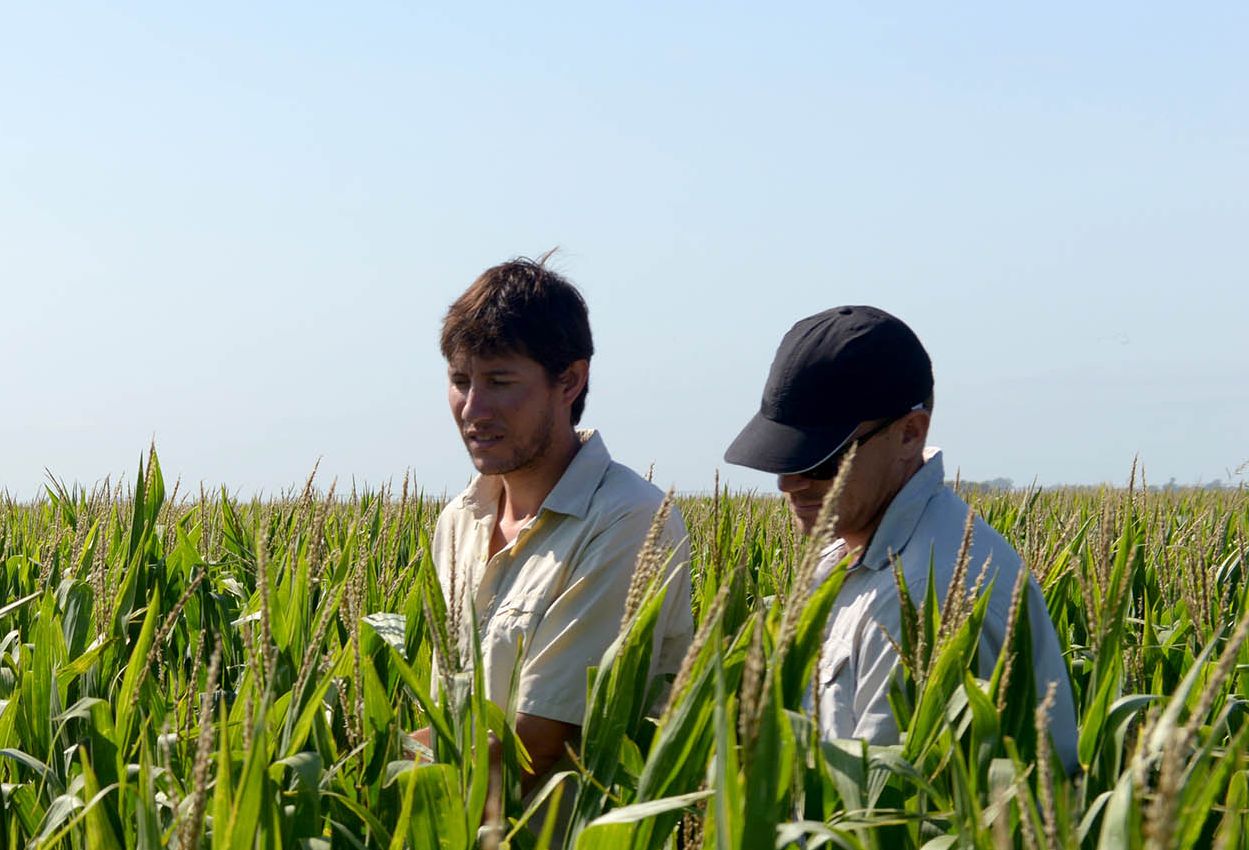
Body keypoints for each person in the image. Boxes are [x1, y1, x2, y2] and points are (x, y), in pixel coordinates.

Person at [723, 306, 1079, 770]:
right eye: (781, 460)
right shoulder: (851, 555)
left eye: (818, 461)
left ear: (909, 435)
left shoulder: (924, 597)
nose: (789, 484)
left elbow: (886, 812)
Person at [430, 258, 693, 790]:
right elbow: (446, 726)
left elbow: (540, 741)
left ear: (570, 381)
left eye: (500, 381)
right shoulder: (459, 520)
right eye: (461, 381)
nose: (473, 408)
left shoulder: (628, 520)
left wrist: (391, 786)